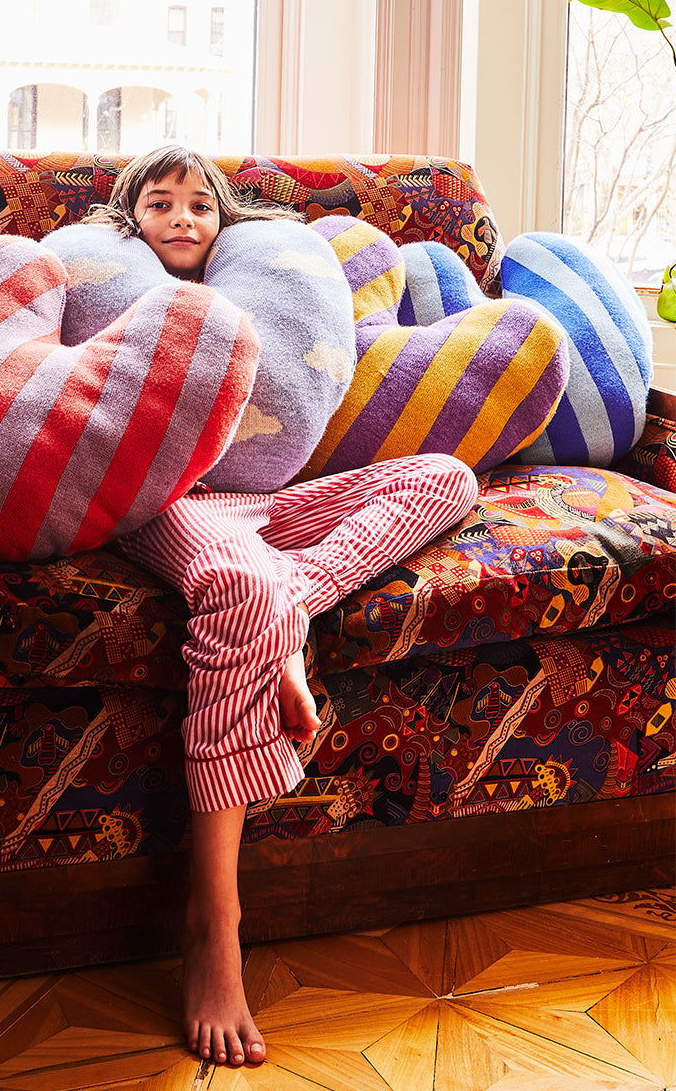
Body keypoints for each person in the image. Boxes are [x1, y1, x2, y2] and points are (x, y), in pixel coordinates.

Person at [84, 146, 478, 1066]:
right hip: (167, 500)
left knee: (445, 479)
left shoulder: (255, 283)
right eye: (159, 203)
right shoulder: (117, 286)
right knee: (241, 584)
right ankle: (213, 921)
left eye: (199, 206)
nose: (181, 218)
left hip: (266, 500)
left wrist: (292, 601)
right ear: (129, 217)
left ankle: (288, 609)